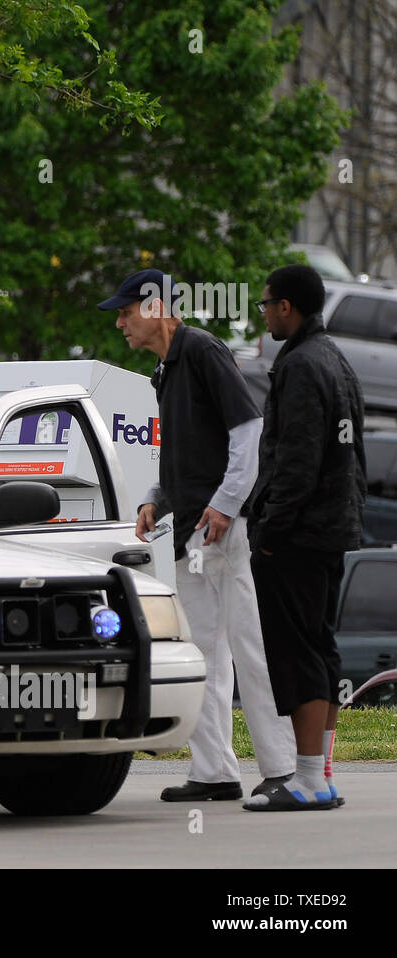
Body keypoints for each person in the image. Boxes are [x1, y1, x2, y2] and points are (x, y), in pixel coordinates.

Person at [98, 268, 296, 802]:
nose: (120, 322)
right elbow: (180, 451)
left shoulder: (203, 352)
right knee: (203, 654)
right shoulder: (167, 369)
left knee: (250, 647)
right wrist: (155, 498)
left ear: (155, 308)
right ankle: (215, 771)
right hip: (191, 533)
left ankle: (281, 769)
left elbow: (246, 431)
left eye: (125, 311)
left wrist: (225, 507)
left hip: (228, 533)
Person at [244, 264, 367, 811]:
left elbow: (296, 461)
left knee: (298, 654)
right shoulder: (336, 359)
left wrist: (270, 531)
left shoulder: (297, 365)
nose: (264, 312)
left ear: (287, 307)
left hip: (297, 536)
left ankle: (309, 779)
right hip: (333, 530)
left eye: (267, 304)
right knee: (319, 646)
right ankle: (321, 773)